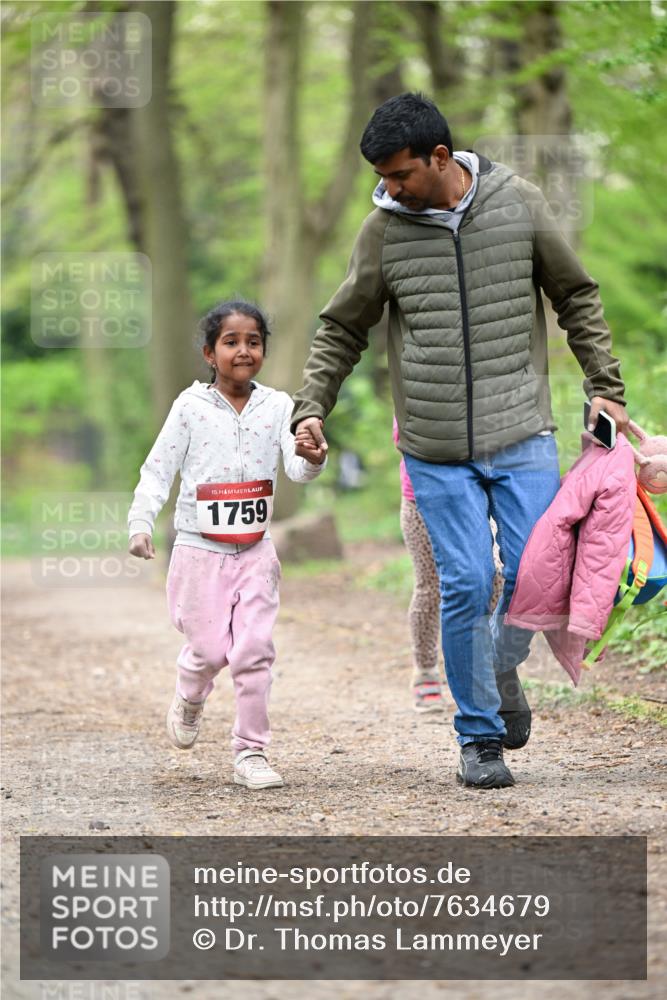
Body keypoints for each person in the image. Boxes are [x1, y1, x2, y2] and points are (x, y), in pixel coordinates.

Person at [292, 93, 628, 789]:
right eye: (381, 178)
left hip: (521, 430)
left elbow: (575, 294)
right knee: (467, 583)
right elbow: (341, 326)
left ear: (439, 157)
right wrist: (310, 408)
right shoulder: (382, 233)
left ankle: (499, 667)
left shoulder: (518, 203)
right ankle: (477, 739)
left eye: (400, 175)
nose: (389, 189)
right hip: (433, 444)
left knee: (541, 575)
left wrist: (605, 385)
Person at [128, 300, 326, 790]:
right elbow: (159, 468)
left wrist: (313, 456)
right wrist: (141, 522)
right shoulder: (190, 408)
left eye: (253, 341)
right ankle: (191, 694)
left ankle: (250, 752)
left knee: (253, 650)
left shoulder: (279, 406)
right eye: (231, 342)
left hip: (256, 552)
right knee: (210, 649)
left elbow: (297, 469)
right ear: (209, 354)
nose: (243, 350)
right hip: (199, 549)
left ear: (264, 350)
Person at [393, 418, 505, 715]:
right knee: (431, 587)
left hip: (476, 495)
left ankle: (481, 665)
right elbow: (404, 436)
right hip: (421, 501)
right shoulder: (414, 381)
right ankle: (426, 669)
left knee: (493, 576)